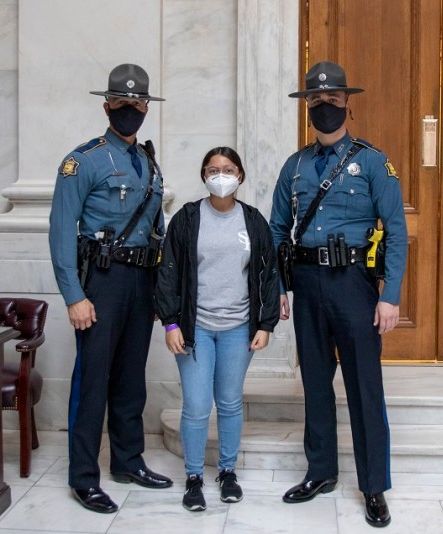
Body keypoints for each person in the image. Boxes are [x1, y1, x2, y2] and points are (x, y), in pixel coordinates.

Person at [269, 61, 408, 528]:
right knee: (315, 383)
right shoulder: (295, 166)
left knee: (364, 386)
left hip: (354, 285)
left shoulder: (372, 162)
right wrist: (280, 287)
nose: (324, 106)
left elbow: (396, 230)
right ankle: (321, 471)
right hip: (307, 284)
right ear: (306, 106)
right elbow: (276, 230)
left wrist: (390, 295)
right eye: (316, 99)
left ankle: (373, 486)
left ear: (348, 103)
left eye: (332, 99)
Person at [49, 63, 173, 514]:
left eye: (137, 103)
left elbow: (157, 228)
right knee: (92, 380)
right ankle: (84, 477)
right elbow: (61, 231)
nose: (129, 109)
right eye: (121, 102)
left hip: (141, 281)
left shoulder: (149, 162)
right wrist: (74, 296)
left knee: (131, 379)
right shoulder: (83, 161)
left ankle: (127, 461)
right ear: (106, 106)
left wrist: (159, 290)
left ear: (146, 108)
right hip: (101, 282)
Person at [155, 147, 280, 512]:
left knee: (228, 402)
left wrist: (266, 324)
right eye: (212, 170)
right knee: (196, 406)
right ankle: (194, 476)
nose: (220, 175)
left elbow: (268, 273)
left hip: (238, 329)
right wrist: (170, 322)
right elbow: (168, 272)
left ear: (240, 175)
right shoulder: (187, 218)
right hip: (194, 329)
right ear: (204, 176)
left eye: (227, 169)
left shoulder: (253, 221)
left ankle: (227, 471)